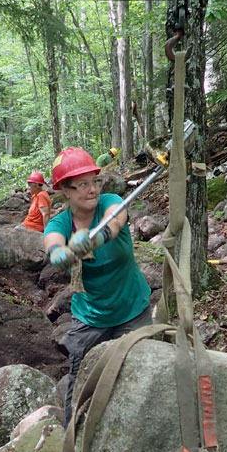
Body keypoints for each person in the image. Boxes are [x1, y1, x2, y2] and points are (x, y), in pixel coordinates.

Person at [44, 148, 151, 426]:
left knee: (142, 378)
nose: (91, 190)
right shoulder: (60, 223)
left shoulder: (111, 202)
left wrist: (96, 238)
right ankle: (72, 443)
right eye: (81, 185)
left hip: (132, 310)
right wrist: (62, 254)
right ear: (65, 191)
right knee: (79, 384)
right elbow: (52, 246)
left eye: (94, 182)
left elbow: (116, 221)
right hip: (90, 317)